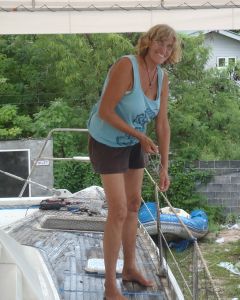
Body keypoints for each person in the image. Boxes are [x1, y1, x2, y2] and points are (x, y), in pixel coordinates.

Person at [87, 24, 182, 300]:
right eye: (159, 43)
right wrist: (140, 135)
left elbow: (162, 124)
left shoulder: (162, 77)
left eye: (169, 47)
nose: (163, 50)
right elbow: (105, 111)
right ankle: (109, 286)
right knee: (117, 210)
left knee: (133, 204)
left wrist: (165, 165)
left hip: (132, 144)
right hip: (106, 140)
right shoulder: (126, 66)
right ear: (148, 42)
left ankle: (129, 268)